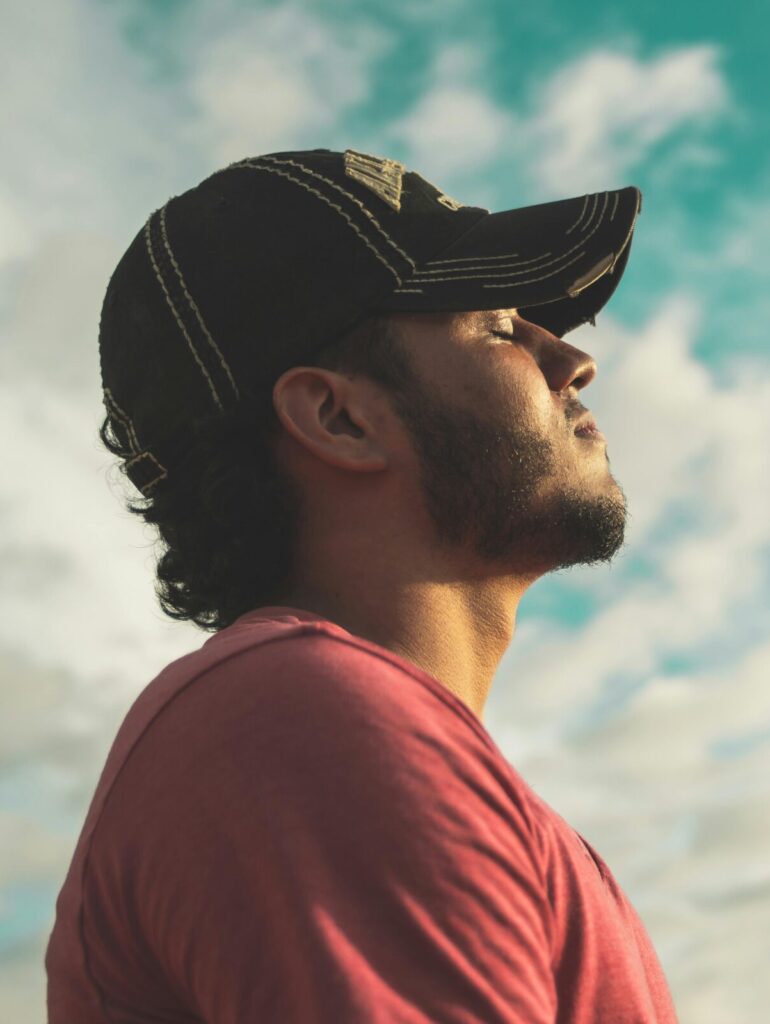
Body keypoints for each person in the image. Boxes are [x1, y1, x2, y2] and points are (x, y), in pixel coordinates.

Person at [46, 148, 679, 1021]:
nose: (569, 359)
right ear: (339, 418)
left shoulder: (335, 731)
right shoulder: (301, 718)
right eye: (497, 327)